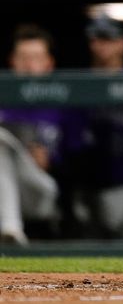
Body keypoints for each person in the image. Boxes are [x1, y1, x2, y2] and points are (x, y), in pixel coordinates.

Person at [69, 14, 123, 239]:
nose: (100, 45)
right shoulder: (78, 84)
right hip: (82, 180)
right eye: (96, 39)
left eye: (107, 39)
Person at [0, 24, 63, 245]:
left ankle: (10, 228)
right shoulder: (3, 101)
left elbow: (82, 157)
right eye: (23, 57)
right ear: (12, 62)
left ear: (49, 63)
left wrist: (53, 161)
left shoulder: (65, 102)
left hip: (42, 190)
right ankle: (11, 230)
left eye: (36, 57)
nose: (29, 65)